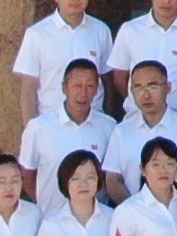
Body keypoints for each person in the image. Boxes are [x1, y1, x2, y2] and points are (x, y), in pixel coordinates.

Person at [12, 0, 114, 139]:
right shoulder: (37, 34)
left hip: (93, 126)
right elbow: (28, 89)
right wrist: (31, 133)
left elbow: (107, 81)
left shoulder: (100, 31)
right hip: (51, 128)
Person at [19, 56, 113, 189]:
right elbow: (27, 175)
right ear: (64, 88)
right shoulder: (38, 128)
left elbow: (112, 176)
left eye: (90, 86)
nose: (83, 93)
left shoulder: (109, 127)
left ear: (97, 89)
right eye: (77, 86)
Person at [104, 60, 177, 200]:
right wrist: (135, 208)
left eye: (153, 87)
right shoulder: (121, 131)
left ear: (168, 88)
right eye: (138, 87)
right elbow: (112, 179)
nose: (146, 95)